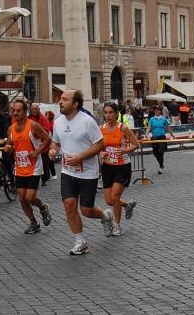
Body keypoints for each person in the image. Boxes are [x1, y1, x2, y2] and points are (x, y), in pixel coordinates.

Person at [49, 89, 113, 255]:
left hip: (88, 173)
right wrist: (53, 151)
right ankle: (80, 241)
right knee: (69, 206)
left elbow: (100, 145)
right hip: (68, 172)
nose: (60, 102)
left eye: (64, 99)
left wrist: (80, 157)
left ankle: (105, 216)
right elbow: (55, 142)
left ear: (75, 104)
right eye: (60, 99)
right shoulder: (58, 122)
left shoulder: (87, 121)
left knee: (86, 210)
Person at [5, 100, 52, 234]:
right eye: (13, 110)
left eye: (18, 110)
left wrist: (37, 152)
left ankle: (42, 207)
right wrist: (8, 148)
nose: (15, 113)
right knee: (21, 197)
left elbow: (47, 138)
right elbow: (10, 145)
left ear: (25, 111)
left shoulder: (33, 126)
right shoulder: (11, 128)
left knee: (30, 197)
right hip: (19, 167)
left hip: (34, 166)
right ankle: (33, 222)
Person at [99, 102, 139, 236]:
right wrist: (101, 153)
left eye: (110, 112)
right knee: (109, 201)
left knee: (115, 197)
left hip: (122, 166)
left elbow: (136, 144)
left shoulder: (123, 128)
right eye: (106, 112)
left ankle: (117, 225)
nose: (108, 115)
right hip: (107, 167)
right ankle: (127, 205)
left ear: (116, 113)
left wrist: (125, 150)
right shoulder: (101, 129)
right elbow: (98, 147)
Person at [145, 105, 175, 174]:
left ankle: (161, 166)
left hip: (162, 138)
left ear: (160, 111)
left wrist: (173, 135)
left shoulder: (164, 119)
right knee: (155, 153)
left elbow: (168, 128)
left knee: (160, 152)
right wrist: (146, 135)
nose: (156, 111)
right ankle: (161, 164)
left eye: (158, 110)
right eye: (155, 110)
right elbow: (149, 127)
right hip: (154, 138)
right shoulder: (152, 119)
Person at [28, 103, 51, 186]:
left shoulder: (43, 118)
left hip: (42, 144)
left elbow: (46, 131)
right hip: (32, 143)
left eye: (35, 109)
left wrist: (37, 129)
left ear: (38, 109)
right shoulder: (29, 118)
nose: (34, 110)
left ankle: (44, 179)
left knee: (44, 163)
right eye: (32, 108)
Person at [44, 110, 57, 180]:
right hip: (45, 143)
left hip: (51, 142)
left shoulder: (52, 123)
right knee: (46, 160)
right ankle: (48, 175)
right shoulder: (45, 122)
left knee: (50, 160)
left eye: (47, 114)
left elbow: (53, 134)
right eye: (45, 114)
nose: (45, 116)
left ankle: (54, 174)